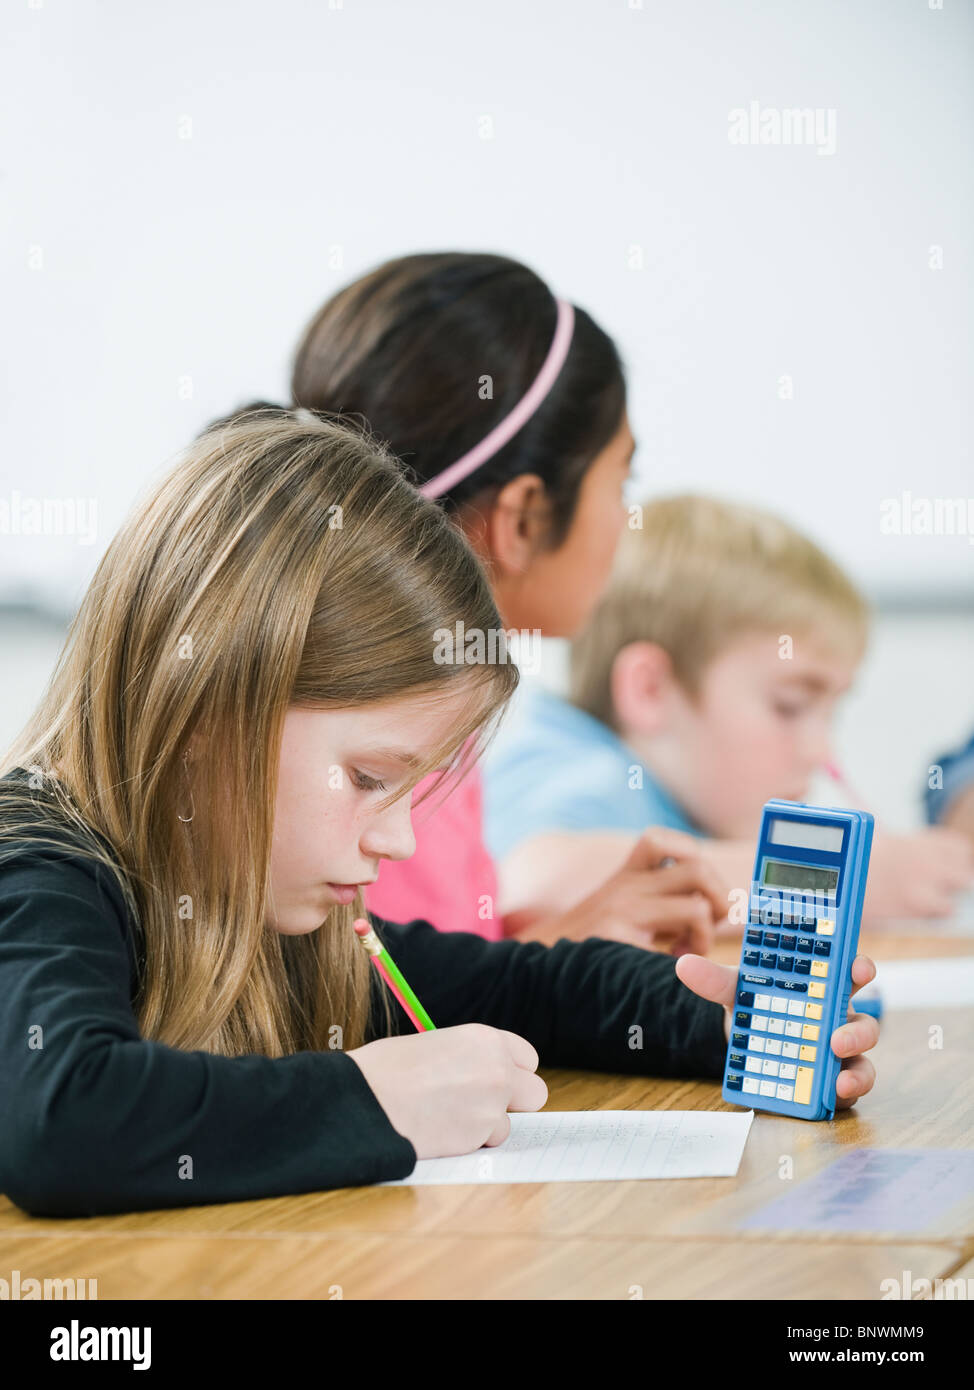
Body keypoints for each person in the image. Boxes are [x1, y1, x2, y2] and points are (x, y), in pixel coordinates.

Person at [0, 410, 885, 1216]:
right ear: (206, 716)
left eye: (415, 789)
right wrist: (374, 1102)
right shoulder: (37, 864)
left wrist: (722, 1023)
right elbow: (65, 1118)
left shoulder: (262, 901)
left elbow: (512, 986)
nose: (399, 838)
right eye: (368, 776)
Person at [287, 251, 726, 953]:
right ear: (523, 519)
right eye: (623, 481)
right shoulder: (383, 742)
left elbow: (437, 963)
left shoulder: (444, 712)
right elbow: (367, 1012)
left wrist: (555, 943)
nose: (625, 519)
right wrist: (558, 957)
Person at [483, 495, 974, 924]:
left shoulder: (684, 795)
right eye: (790, 706)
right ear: (650, 690)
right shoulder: (580, 770)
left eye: (830, 713)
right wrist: (835, 883)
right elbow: (533, 884)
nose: (821, 750)